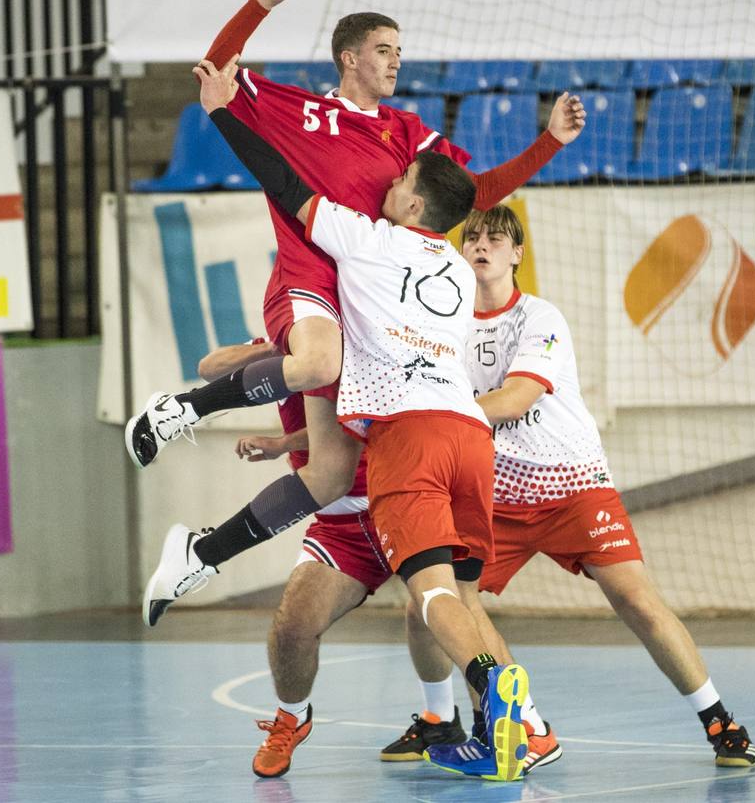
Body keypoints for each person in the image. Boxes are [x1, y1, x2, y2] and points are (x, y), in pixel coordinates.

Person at [131, 0, 584, 626]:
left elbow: (473, 193)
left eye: (400, 51)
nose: (395, 61)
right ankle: (183, 408)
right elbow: (217, 70)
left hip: (365, 312)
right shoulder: (303, 111)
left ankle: (199, 551)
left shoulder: (408, 134)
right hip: (309, 275)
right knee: (316, 364)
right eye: (383, 49)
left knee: (329, 477)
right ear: (349, 58)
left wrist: (550, 144)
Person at [193, 57, 535, 781]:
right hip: (467, 439)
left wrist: (225, 112)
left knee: (433, 595)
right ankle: (502, 732)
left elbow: (288, 188)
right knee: (456, 594)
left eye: (400, 183)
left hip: (408, 444)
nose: (387, 182)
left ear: (414, 207)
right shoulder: (449, 268)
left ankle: (499, 689)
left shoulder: (368, 243)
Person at [423, 204, 755, 770]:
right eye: (472, 237)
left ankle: (718, 718)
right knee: (445, 601)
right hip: (497, 498)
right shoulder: (445, 330)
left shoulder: (540, 316)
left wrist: (436, 420)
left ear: (517, 254)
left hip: (573, 486)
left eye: (495, 238)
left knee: (636, 600)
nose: (482, 245)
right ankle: (522, 727)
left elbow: (515, 400)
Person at [191, 339, 468, 778]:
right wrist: (273, 350)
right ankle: (290, 718)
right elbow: (209, 367)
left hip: (401, 501)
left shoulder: (372, 333)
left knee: (434, 611)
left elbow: (352, 423)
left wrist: (285, 442)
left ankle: (451, 720)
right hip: (340, 526)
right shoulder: (297, 339)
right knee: (293, 627)